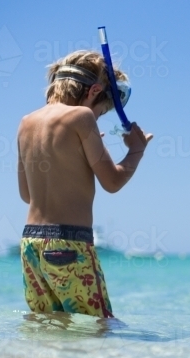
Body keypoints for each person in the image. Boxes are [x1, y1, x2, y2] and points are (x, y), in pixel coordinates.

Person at [17, 50, 152, 318]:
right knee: (99, 326)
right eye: (102, 111)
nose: (98, 117)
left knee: (48, 326)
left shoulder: (26, 122)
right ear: (94, 91)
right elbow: (112, 182)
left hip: (30, 245)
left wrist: (78, 157)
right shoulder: (82, 116)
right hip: (69, 244)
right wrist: (137, 151)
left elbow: (26, 195)